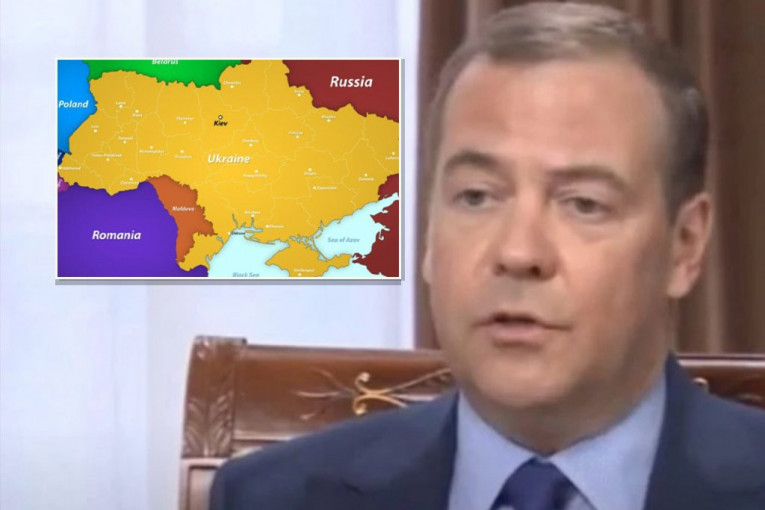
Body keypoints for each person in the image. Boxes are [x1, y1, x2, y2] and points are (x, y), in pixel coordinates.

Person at [210, 3, 765, 509]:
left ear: (684, 245)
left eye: (584, 204)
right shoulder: (272, 498)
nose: (518, 253)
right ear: (429, 233)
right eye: (476, 197)